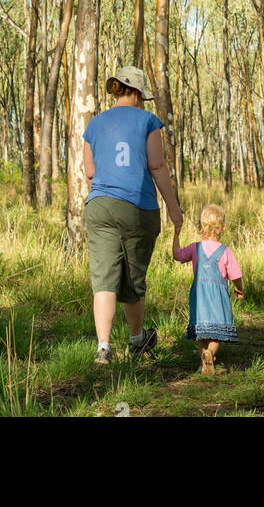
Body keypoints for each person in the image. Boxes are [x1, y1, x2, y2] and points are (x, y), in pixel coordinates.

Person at [83, 64, 181, 366]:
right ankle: (137, 340)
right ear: (136, 92)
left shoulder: (94, 124)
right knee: (134, 278)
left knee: (104, 280)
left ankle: (103, 348)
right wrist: (174, 208)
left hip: (99, 205)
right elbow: (157, 166)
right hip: (138, 206)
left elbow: (89, 172)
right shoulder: (148, 121)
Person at [173, 202, 243, 372]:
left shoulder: (194, 248)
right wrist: (239, 289)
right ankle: (210, 352)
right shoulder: (226, 251)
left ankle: (204, 356)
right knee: (217, 330)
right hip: (217, 297)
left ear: (201, 226)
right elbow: (236, 275)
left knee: (200, 329)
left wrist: (176, 233)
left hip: (199, 296)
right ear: (223, 228)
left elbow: (177, 255)